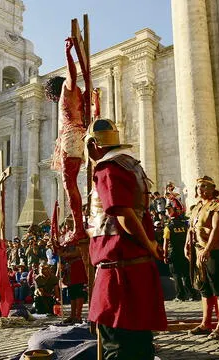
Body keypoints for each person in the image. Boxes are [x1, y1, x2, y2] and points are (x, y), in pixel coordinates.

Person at [84, 118, 167, 359]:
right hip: (131, 267)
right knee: (139, 343)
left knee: (119, 345)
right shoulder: (130, 165)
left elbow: (123, 213)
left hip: (119, 273)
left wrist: (149, 244)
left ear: (94, 146)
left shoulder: (108, 169)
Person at [44, 37, 88, 246]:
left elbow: (72, 74)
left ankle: (79, 228)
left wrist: (68, 53)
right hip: (75, 136)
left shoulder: (67, 90)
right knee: (69, 183)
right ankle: (78, 225)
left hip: (71, 137)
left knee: (68, 182)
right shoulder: (76, 94)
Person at [185, 176, 219, 340]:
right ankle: (205, 323)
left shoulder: (218, 206)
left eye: (203, 187)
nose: (199, 190)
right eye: (197, 187)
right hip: (198, 252)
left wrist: (207, 249)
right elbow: (192, 228)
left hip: (213, 252)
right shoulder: (196, 207)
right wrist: (187, 244)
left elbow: (217, 229)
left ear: (212, 188)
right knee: (204, 288)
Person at [163, 205, 195, 302]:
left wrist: (165, 255)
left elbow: (166, 243)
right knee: (186, 274)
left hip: (174, 254)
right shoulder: (184, 225)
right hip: (184, 253)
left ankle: (180, 295)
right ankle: (191, 294)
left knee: (176, 275)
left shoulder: (168, 227)